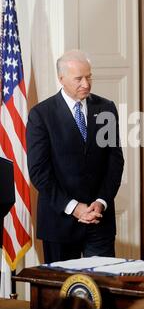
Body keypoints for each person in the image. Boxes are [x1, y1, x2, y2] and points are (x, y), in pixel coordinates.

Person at [26, 49, 124, 263]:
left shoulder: (105, 108)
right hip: (59, 222)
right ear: (61, 79)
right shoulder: (41, 115)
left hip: (99, 220)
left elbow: (114, 161)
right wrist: (74, 208)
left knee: (101, 289)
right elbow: (39, 172)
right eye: (78, 79)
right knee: (63, 292)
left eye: (89, 77)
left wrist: (101, 201)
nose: (86, 84)